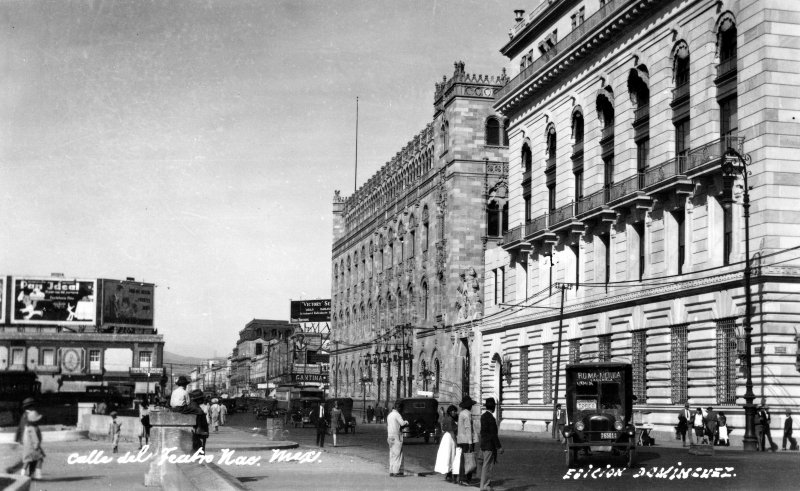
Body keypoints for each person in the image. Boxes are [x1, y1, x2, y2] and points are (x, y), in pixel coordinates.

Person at [480, 398, 503, 491]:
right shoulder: (491, 419)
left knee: (485, 465)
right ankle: (485, 485)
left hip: (484, 444)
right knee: (488, 466)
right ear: (493, 407)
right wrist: (499, 447)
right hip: (490, 445)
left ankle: (485, 485)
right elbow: (493, 434)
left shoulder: (483, 416)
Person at [457, 395, 479, 486]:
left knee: (463, 459)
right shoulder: (467, 414)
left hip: (461, 439)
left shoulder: (462, 413)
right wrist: (470, 442)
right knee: (468, 459)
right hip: (467, 440)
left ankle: (463, 478)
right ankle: (465, 478)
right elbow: (468, 429)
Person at [435, 405, 459, 482]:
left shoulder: (448, 418)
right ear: (450, 411)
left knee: (450, 455)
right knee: (450, 455)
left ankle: (450, 473)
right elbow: (452, 430)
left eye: (455, 411)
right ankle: (450, 473)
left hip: (448, 437)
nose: (455, 412)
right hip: (450, 438)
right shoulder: (449, 419)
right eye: (453, 411)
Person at [20, 409, 45, 480]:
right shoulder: (33, 428)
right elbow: (35, 439)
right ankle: (38, 474)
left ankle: (22, 474)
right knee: (40, 459)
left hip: (27, 448)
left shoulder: (27, 428)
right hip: (33, 448)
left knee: (27, 461)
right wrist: (37, 446)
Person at [386, 401, 408, 477]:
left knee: (391, 453)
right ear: (399, 408)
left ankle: (391, 471)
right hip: (396, 435)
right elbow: (402, 423)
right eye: (401, 408)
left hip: (389, 436)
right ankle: (396, 471)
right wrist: (406, 422)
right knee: (397, 454)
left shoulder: (389, 415)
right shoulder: (397, 414)